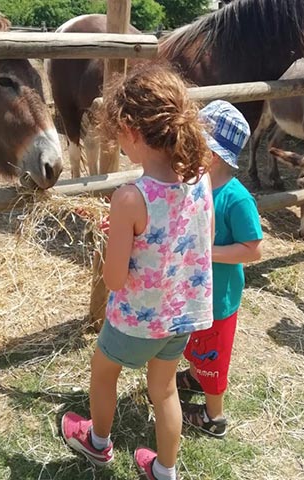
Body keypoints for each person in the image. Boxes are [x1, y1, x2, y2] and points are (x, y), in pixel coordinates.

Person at [61, 61, 215, 480]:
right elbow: (202, 239)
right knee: (163, 389)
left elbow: (114, 279)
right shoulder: (200, 178)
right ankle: (165, 470)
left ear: (130, 129)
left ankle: (97, 443)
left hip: (136, 320)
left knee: (103, 372)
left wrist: (114, 236)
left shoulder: (131, 197)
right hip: (183, 316)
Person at [177, 100, 263, 437]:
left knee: (213, 358)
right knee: (195, 343)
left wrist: (205, 253)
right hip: (196, 292)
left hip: (219, 300)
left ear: (211, 155)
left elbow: (253, 250)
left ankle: (215, 417)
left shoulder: (236, 198)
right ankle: (196, 374)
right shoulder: (197, 186)